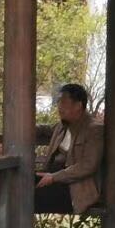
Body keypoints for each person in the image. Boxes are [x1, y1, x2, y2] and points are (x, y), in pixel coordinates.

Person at [34, 82, 105, 215]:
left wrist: (54, 177)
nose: (59, 107)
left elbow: (88, 165)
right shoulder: (62, 126)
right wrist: (24, 128)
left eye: (64, 102)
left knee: (27, 197)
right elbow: (45, 129)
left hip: (73, 189)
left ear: (78, 105)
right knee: (18, 185)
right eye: (59, 102)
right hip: (50, 177)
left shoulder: (94, 130)